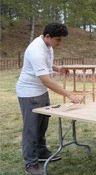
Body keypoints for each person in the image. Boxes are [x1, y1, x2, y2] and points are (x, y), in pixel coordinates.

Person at [16, 23, 83, 175]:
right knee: (31, 129)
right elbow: (46, 80)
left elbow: (45, 65)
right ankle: (30, 164)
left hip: (41, 92)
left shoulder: (48, 46)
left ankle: (41, 152)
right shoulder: (35, 50)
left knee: (42, 125)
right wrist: (69, 94)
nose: (60, 43)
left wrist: (57, 68)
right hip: (29, 93)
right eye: (58, 40)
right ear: (47, 36)